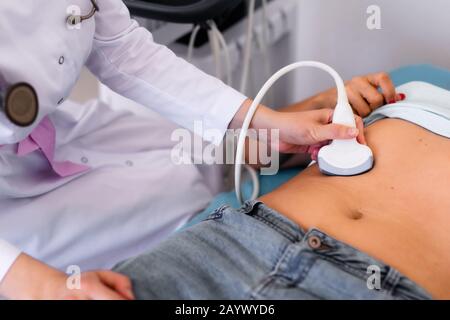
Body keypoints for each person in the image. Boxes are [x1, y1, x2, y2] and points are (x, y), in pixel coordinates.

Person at [0, 0, 404, 299]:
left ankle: (275, 137)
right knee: (169, 196)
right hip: (16, 219)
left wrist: (265, 121)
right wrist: (37, 285)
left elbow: (123, 51)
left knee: (186, 158)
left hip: (61, 133)